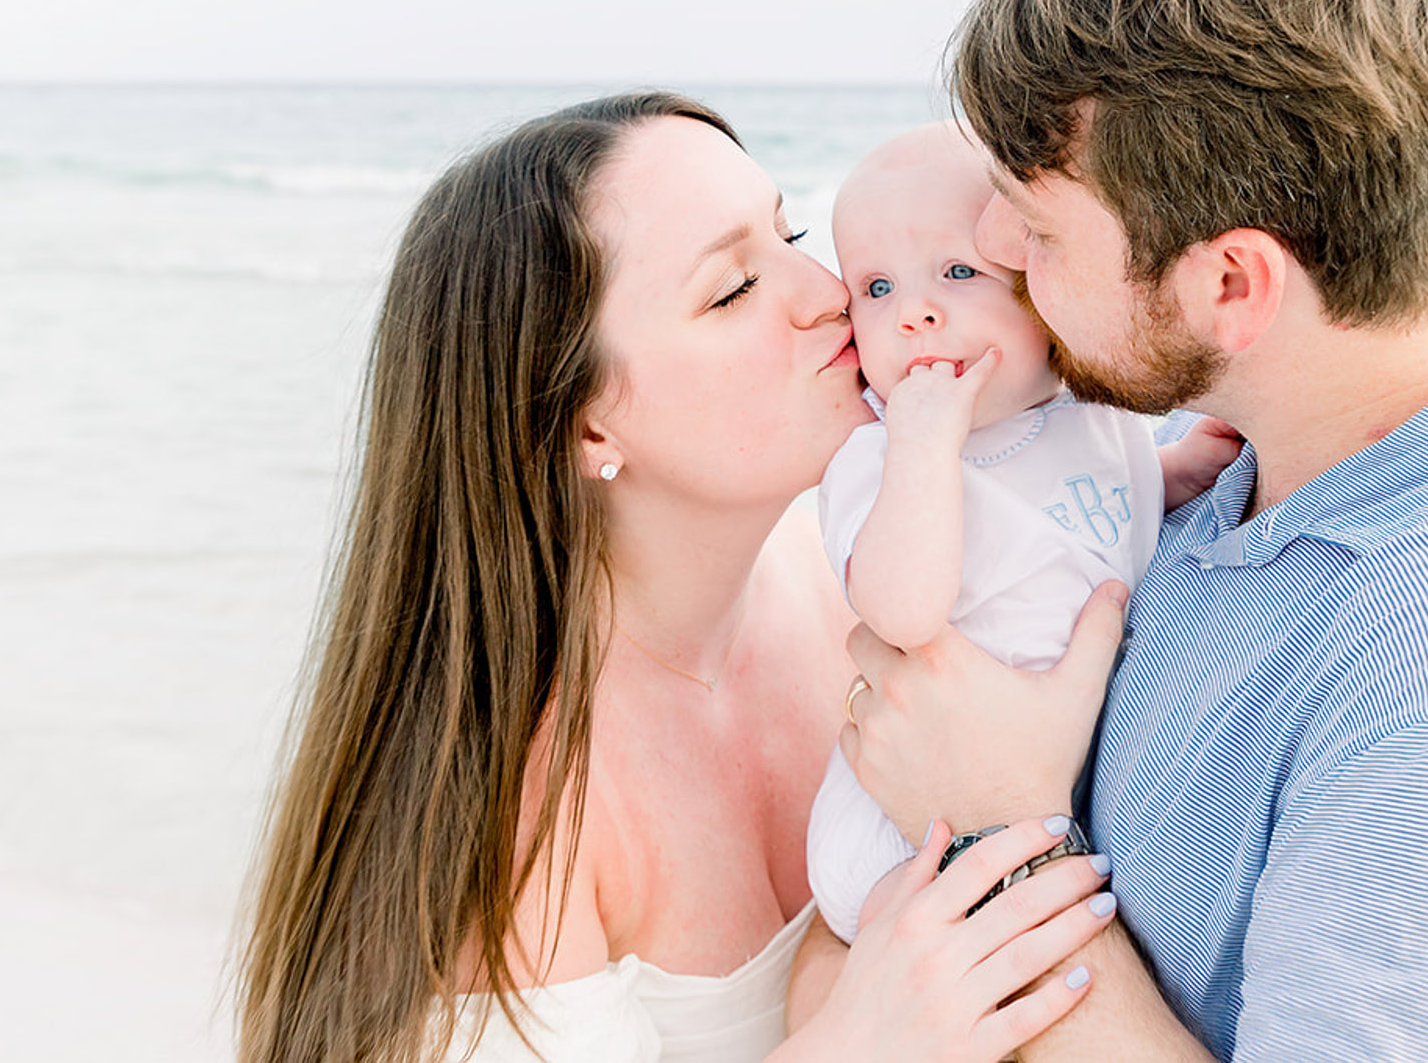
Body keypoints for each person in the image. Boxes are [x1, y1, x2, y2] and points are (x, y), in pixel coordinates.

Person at [814, 0, 1428, 1059]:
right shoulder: (1242, 450)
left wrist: (1003, 828)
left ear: (1229, 283)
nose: (991, 240)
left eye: (1041, 222)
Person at [233, 92, 1120, 1063]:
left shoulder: (869, 572)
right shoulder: (520, 812)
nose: (829, 290)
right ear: (586, 424)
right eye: (734, 287)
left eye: (790, 231)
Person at [802, 124, 1240, 943]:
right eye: (877, 287)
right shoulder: (879, 457)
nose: (915, 313)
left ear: (1046, 287)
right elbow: (901, 612)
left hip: (1052, 785)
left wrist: (1182, 469)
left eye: (959, 272)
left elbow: (1114, 511)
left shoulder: (1096, 415)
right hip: (906, 820)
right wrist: (925, 443)